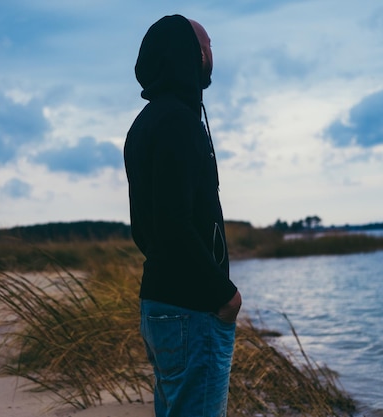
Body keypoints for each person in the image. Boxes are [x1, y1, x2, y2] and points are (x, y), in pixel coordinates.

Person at [124, 14, 242, 417]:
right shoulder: (179, 122)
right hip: (192, 307)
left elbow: (144, 228)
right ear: (187, 54)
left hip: (159, 302)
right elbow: (173, 225)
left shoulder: (144, 125)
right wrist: (224, 296)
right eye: (205, 45)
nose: (211, 53)